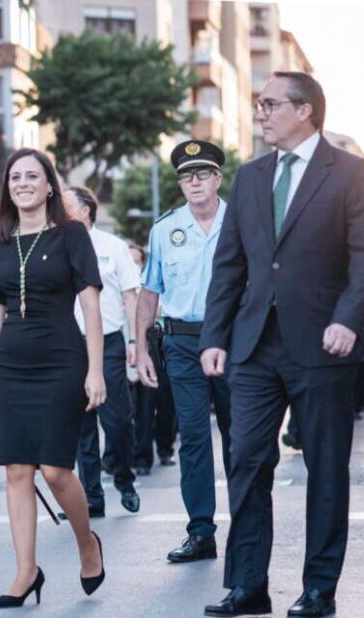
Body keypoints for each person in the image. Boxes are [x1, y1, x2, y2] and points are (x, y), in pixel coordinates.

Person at [200, 72, 364, 618]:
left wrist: (348, 319)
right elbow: (229, 264)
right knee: (246, 461)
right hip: (254, 346)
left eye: (270, 104)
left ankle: (320, 586)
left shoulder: (349, 172)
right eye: (259, 104)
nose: (260, 113)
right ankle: (247, 587)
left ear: (304, 110)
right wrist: (214, 336)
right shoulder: (250, 177)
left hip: (324, 345)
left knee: (325, 468)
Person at [0, 149, 106, 607]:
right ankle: (25, 572)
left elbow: (91, 307)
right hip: (10, 365)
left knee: (54, 469)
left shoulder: (71, 234)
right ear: (6, 188)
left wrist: (95, 371)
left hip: (62, 361)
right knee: (16, 469)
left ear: (50, 185)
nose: (23, 184)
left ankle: (86, 543)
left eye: (33, 176)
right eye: (15, 177)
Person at [136, 139, 232, 565]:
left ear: (217, 179)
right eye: (186, 176)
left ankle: (246, 526)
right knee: (192, 437)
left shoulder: (240, 222)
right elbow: (149, 292)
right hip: (181, 343)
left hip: (232, 342)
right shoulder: (165, 230)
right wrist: (141, 349)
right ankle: (201, 532)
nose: (194, 182)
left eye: (202, 174)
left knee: (239, 437)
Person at [67, 186, 140, 516]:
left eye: (66, 204)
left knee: (118, 421)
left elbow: (130, 296)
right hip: (70, 346)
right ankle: (91, 498)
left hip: (109, 343)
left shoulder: (113, 246)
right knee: (81, 427)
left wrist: (134, 340)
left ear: (85, 209)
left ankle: (124, 478)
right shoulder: (58, 244)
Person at [127, 243, 177, 476]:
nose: (133, 265)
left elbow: (158, 308)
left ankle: (165, 448)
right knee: (143, 407)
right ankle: (142, 457)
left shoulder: (155, 281)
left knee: (166, 401)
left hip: (162, 343)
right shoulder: (127, 287)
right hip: (140, 346)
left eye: (136, 261)